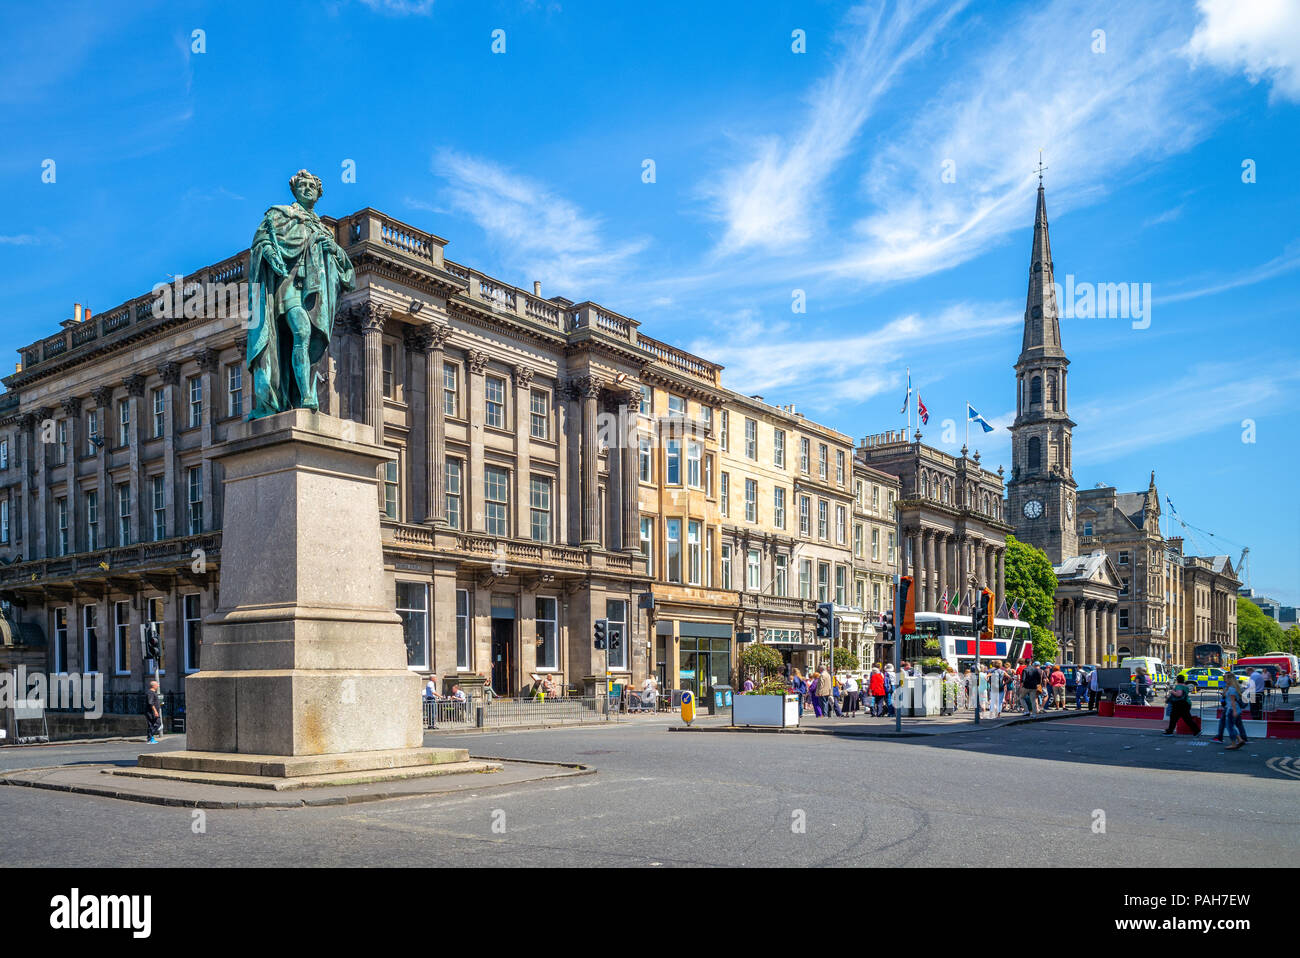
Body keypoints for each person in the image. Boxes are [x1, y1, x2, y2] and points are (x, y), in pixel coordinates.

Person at [1223, 673, 1247, 750]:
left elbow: (1233, 701)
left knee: (1229, 727)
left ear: (1229, 679)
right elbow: (1224, 696)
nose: (1224, 679)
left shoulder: (1232, 689)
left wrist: (1234, 711)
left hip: (1231, 709)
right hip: (1235, 709)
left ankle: (1234, 743)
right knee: (1233, 726)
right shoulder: (1231, 687)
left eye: (1226, 678)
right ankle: (1240, 739)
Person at [144, 680, 162, 744]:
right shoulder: (150, 693)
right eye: (157, 684)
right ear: (153, 686)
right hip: (151, 712)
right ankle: (150, 738)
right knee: (157, 723)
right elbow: (150, 703)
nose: (158, 686)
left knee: (152, 725)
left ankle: (150, 738)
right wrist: (155, 711)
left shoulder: (153, 693)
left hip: (153, 712)